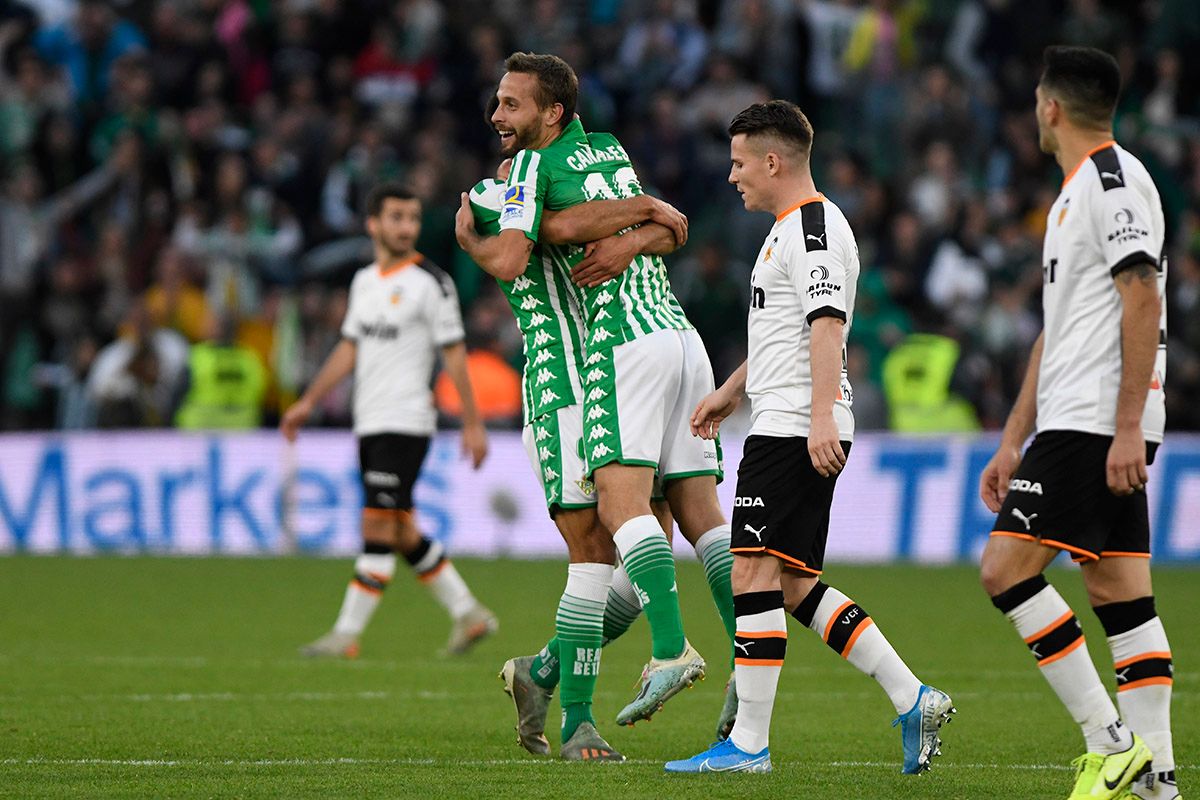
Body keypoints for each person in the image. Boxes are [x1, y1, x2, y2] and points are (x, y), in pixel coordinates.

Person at [456, 52, 738, 741]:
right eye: (496, 105)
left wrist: (640, 228)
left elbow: (665, 230)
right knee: (593, 549)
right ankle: (580, 721)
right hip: (562, 388)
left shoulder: (599, 152)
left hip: (619, 364)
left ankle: (543, 672)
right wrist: (470, 241)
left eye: (510, 106)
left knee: (650, 539)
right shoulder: (509, 185)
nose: (497, 119)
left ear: (553, 114)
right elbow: (528, 247)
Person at [666, 100, 954, 774]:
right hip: (788, 414)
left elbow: (826, 326)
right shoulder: (788, 228)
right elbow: (788, 330)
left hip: (795, 425)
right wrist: (732, 391)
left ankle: (748, 746)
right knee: (792, 585)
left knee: (750, 574)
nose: (733, 176)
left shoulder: (814, 230)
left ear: (773, 161)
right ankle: (913, 697)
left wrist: (822, 414)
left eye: (740, 163)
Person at [977, 46, 1176, 800]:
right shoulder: (1073, 195)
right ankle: (1159, 786)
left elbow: (1144, 297)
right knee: (1120, 593)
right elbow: (1053, 332)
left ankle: (1111, 742)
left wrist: (1127, 425)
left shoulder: (1114, 182)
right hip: (1074, 414)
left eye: (1036, 97)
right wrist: (1011, 435)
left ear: (1051, 107)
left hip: (1097, 418)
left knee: (1004, 570)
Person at [282, 182, 496, 659]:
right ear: (373, 224)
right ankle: (469, 613)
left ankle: (345, 635)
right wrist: (309, 400)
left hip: (406, 422)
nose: (406, 227)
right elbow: (350, 347)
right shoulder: (363, 282)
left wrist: (472, 421)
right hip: (370, 420)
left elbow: (455, 353)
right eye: (396, 217)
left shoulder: (431, 282)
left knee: (378, 526)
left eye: (413, 218)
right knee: (400, 530)